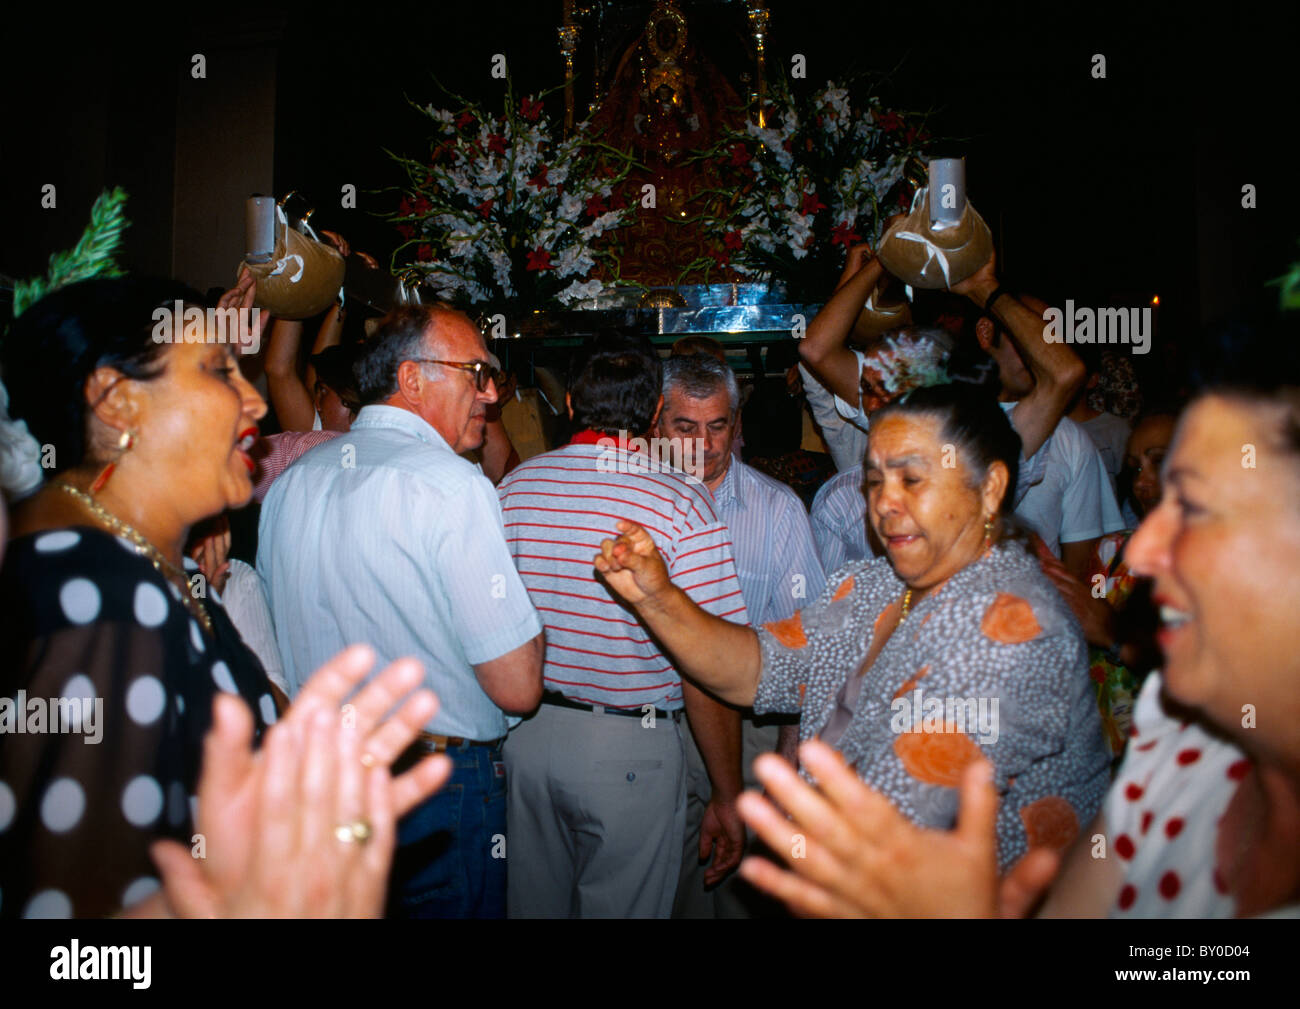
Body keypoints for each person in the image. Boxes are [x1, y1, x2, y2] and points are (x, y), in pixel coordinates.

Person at [730, 373, 1300, 918]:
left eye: (1196, 507)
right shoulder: (1178, 749)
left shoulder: (1009, 619)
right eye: (876, 480)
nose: (1144, 547)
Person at [0, 274, 446, 917]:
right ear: (117, 403)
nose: (256, 402)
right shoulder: (99, 594)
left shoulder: (149, 564)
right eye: (217, 370)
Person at [594, 380, 1111, 872]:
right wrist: (658, 598)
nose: (884, 502)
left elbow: (902, 816)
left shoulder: (1013, 623)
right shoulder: (870, 587)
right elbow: (754, 668)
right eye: (875, 480)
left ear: (990, 488)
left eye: (912, 479)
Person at [257, 302, 545, 919]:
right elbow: (519, 687)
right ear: (412, 379)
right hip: (433, 785)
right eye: (476, 373)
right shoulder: (452, 485)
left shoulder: (294, 480)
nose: (490, 394)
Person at [496, 331, 749, 918]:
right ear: (657, 410)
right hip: (632, 747)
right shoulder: (681, 502)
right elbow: (709, 665)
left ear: (568, 404)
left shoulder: (515, 489)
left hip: (527, 736)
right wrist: (727, 791)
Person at [654, 352, 826, 917]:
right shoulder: (631, 503)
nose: (703, 445)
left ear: (738, 424)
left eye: (717, 426)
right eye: (685, 427)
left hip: (750, 730)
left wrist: (787, 765)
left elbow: (808, 649)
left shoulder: (777, 511)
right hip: (654, 732)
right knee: (666, 898)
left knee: (741, 900)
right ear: (657, 422)